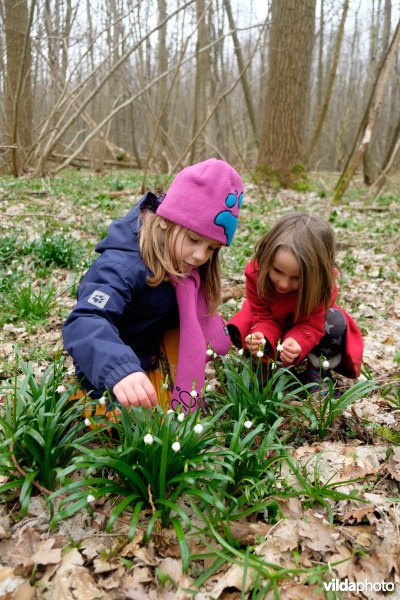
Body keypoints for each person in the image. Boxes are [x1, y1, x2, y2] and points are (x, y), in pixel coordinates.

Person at [63, 158, 244, 413]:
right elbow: (85, 320)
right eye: (193, 239)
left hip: (148, 355)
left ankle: (168, 391)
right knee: (124, 427)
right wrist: (120, 370)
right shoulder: (122, 265)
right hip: (109, 368)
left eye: (211, 248)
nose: (201, 256)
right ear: (164, 221)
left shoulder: (184, 267)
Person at [227, 212, 363, 390]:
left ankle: (317, 372)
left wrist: (297, 342)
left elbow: (313, 323)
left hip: (303, 326)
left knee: (335, 321)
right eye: (277, 270)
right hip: (268, 322)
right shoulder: (256, 273)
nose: (283, 284)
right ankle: (261, 365)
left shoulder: (321, 285)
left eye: (296, 278)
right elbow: (261, 313)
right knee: (244, 323)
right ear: (267, 256)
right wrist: (262, 336)